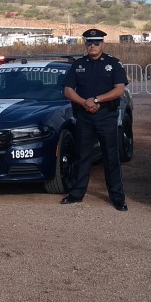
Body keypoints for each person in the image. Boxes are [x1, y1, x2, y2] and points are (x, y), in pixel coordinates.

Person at [61, 29, 129, 211]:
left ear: (103, 44)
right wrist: (85, 103)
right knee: (82, 157)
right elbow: (68, 90)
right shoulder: (78, 65)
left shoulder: (113, 64)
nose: (92, 46)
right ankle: (76, 194)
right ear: (85, 44)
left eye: (96, 43)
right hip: (84, 116)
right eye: (89, 43)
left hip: (106, 116)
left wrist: (96, 100)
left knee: (111, 158)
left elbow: (119, 90)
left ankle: (117, 197)